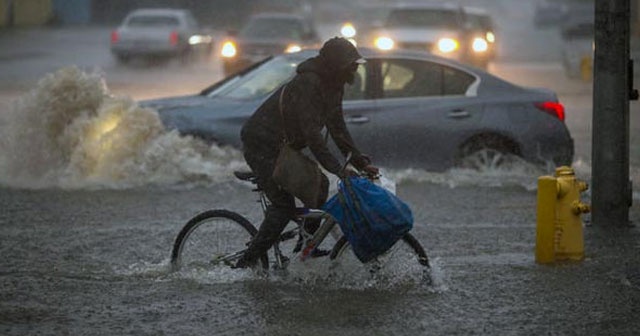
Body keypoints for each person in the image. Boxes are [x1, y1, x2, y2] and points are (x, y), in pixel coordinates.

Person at [235, 37, 379, 268]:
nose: (354, 69)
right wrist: (340, 170)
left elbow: (337, 128)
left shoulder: (335, 84)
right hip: (260, 143)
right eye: (350, 65)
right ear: (334, 65)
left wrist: (360, 163)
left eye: (356, 64)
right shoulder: (308, 84)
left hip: (282, 146)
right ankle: (245, 264)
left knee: (319, 187)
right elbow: (313, 136)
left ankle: (304, 250)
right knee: (283, 207)